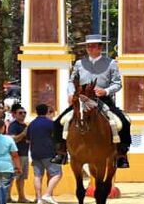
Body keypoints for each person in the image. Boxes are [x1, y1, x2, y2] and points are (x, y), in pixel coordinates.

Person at [52, 34, 131, 168]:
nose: (90, 48)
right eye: (88, 46)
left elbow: (117, 84)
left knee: (123, 122)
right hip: (82, 99)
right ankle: (61, 152)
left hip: (103, 99)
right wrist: (71, 93)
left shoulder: (111, 63)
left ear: (100, 47)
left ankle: (121, 155)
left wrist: (105, 91)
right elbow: (71, 81)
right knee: (58, 122)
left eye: (93, 46)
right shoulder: (79, 63)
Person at [27, 104, 62, 204]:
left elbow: (28, 139)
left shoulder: (32, 124)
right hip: (48, 152)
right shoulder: (51, 123)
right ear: (47, 111)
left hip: (35, 153)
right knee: (57, 174)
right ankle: (47, 194)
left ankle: (39, 199)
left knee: (38, 176)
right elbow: (57, 138)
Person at [5, 103, 30, 203]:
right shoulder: (13, 125)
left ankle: (21, 197)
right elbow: (12, 140)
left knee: (21, 178)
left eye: (24, 113)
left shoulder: (24, 125)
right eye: (20, 113)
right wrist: (23, 134)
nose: (23, 114)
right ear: (14, 114)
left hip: (24, 153)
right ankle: (7, 197)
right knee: (12, 177)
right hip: (16, 155)